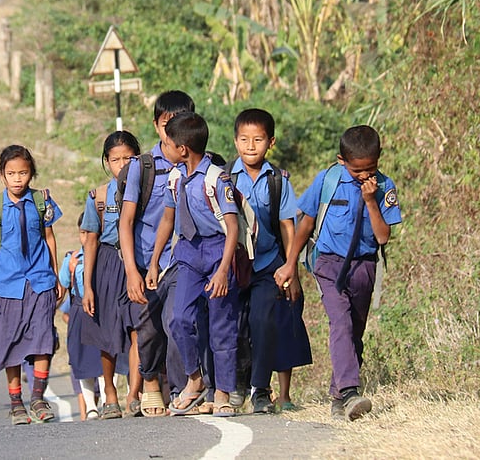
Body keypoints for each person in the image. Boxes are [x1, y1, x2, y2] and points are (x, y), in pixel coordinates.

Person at [277, 124, 402, 421]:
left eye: (370, 168)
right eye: (358, 170)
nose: (364, 176)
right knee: (340, 323)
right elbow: (305, 224)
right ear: (342, 160)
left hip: (364, 266)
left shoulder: (385, 187)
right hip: (329, 264)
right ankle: (349, 391)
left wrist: (371, 200)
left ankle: (338, 397)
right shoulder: (328, 180)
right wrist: (290, 264)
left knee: (355, 332)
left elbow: (383, 236)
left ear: (379, 158)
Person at [0, 145, 65, 425]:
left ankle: (38, 397)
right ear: (1, 175)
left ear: (32, 173)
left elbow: (49, 238)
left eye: (23, 173)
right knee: (11, 344)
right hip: (6, 285)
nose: (18, 179)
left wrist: (55, 275)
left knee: (43, 339)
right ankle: (15, 402)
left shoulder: (42, 201)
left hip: (40, 281)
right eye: (11, 174)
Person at [117, 90, 196, 417]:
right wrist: (132, 271)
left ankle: (181, 389)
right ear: (156, 125)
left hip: (185, 261)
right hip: (147, 261)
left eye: (180, 123)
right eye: (167, 124)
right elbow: (126, 222)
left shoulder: (200, 164)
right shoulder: (142, 167)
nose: (173, 131)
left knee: (178, 321)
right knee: (148, 329)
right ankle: (151, 383)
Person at [230, 108, 311, 414]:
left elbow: (288, 227)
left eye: (258, 140)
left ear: (271, 142)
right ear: (235, 141)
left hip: (267, 265)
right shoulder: (225, 177)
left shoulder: (278, 181)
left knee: (263, 321)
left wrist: (291, 269)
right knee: (234, 324)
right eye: (244, 139)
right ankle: (232, 384)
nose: (250, 146)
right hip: (235, 267)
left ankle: (261, 390)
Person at [162, 111, 242, 417]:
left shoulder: (216, 179)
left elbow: (232, 228)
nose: (164, 148)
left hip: (218, 251)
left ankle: (222, 391)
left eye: (168, 144)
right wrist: (156, 261)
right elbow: (169, 220)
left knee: (222, 324)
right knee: (179, 318)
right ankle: (194, 379)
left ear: (182, 149)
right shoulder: (175, 178)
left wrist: (223, 269)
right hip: (188, 252)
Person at [80, 130, 143, 418]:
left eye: (129, 158)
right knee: (106, 333)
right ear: (107, 162)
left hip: (137, 263)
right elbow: (91, 240)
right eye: (116, 159)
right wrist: (88, 284)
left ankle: (135, 392)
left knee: (138, 330)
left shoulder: (146, 191)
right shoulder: (99, 197)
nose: (123, 165)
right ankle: (110, 392)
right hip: (107, 265)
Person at [59, 247, 103, 420]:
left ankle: (105, 403)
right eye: (82, 233)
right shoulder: (72, 259)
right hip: (78, 315)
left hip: (99, 314)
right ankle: (87, 412)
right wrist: (70, 270)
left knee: (102, 363)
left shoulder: (104, 255)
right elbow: (62, 288)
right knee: (81, 364)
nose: (85, 237)